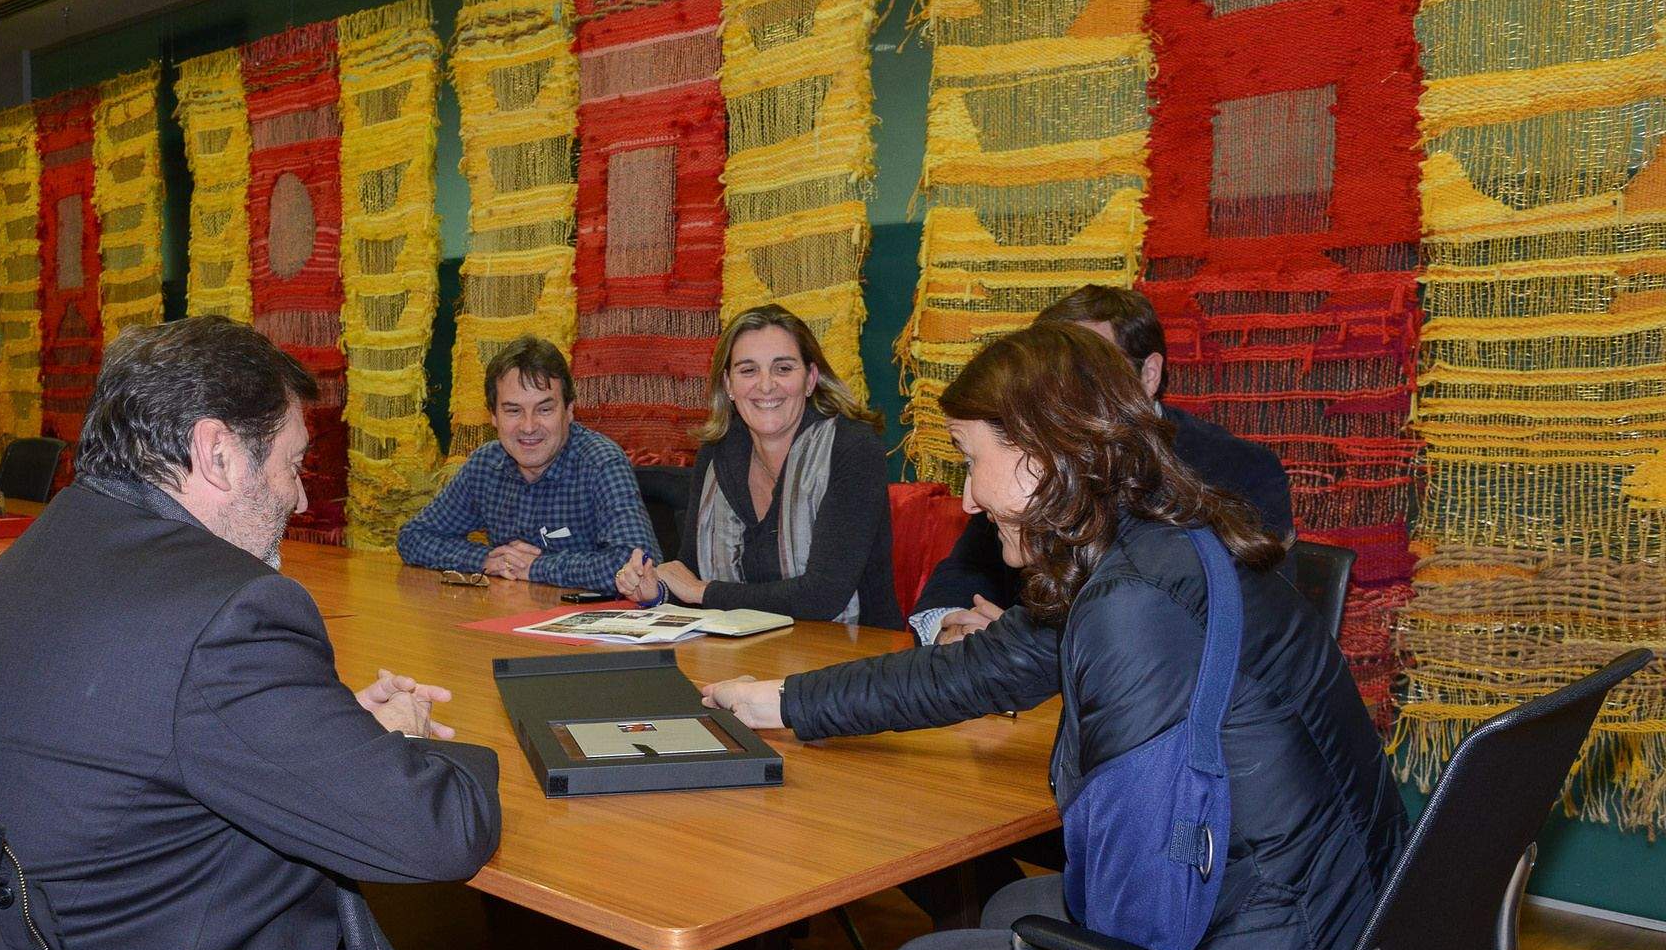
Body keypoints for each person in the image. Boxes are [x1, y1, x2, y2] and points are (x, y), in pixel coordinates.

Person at [0, 317, 617, 950]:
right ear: (216, 453)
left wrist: (324, 731)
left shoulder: (49, 549)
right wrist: (414, 744)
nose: (299, 497)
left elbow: (166, 733)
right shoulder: (229, 608)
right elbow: (439, 836)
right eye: (288, 462)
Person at [703, 322, 1406, 950]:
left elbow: (1130, 915)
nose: (964, 498)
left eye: (969, 458)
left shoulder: (1129, 611)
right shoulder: (1162, 539)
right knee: (1006, 911)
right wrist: (786, 699)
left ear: (1039, 459)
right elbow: (978, 671)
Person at [910, 285, 1293, 646]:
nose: (1061, 395)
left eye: (1085, 373)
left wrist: (1030, 644)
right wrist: (950, 627)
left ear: (1149, 375)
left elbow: (1224, 628)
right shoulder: (1026, 464)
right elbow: (966, 572)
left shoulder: (1241, 469)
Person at [612, 304, 900, 628]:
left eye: (783, 369)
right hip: (746, 652)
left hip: (853, 659)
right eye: (748, 370)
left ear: (810, 379)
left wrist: (701, 591)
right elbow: (689, 576)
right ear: (729, 386)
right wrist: (657, 590)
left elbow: (823, 595)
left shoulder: (852, 447)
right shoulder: (717, 453)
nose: (765, 385)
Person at [398, 335, 657, 591]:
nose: (529, 426)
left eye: (544, 410)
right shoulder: (487, 464)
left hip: (591, 628)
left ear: (569, 412)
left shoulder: (601, 463)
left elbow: (642, 564)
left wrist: (537, 567)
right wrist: (486, 559)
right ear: (493, 416)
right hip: (508, 618)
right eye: (513, 411)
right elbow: (414, 538)